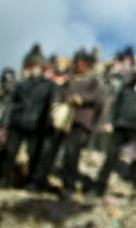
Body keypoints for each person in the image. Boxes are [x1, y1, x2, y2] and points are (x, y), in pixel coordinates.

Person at [35, 49, 103, 195]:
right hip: (61, 119)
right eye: (77, 62)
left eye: (82, 63)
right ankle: (38, 181)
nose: (79, 65)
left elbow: (97, 97)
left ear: (88, 65)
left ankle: (69, 186)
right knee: (49, 149)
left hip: (80, 120)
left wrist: (80, 98)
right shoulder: (69, 79)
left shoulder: (94, 80)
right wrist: (56, 104)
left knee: (71, 153)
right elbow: (57, 93)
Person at [93, 62, 136, 195]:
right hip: (121, 125)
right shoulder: (126, 88)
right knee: (111, 155)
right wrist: (110, 121)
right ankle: (99, 186)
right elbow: (115, 105)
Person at [0, 49, 55, 189]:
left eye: (36, 66)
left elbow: (52, 105)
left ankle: (30, 182)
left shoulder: (49, 86)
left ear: (42, 68)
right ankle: (3, 180)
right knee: (10, 153)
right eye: (31, 66)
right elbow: (11, 103)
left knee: (33, 155)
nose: (34, 69)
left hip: (36, 125)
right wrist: (5, 122)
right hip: (17, 123)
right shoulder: (21, 84)